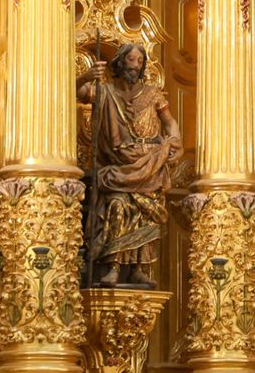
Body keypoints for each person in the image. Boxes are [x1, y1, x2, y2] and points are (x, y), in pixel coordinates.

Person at [78, 44, 181, 288]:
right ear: (120, 62)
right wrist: (86, 76)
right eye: (130, 59)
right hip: (118, 166)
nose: (134, 65)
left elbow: (169, 123)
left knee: (147, 214)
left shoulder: (153, 94)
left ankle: (138, 268)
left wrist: (175, 142)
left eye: (139, 60)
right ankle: (113, 266)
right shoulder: (105, 91)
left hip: (150, 161)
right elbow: (76, 91)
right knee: (117, 205)